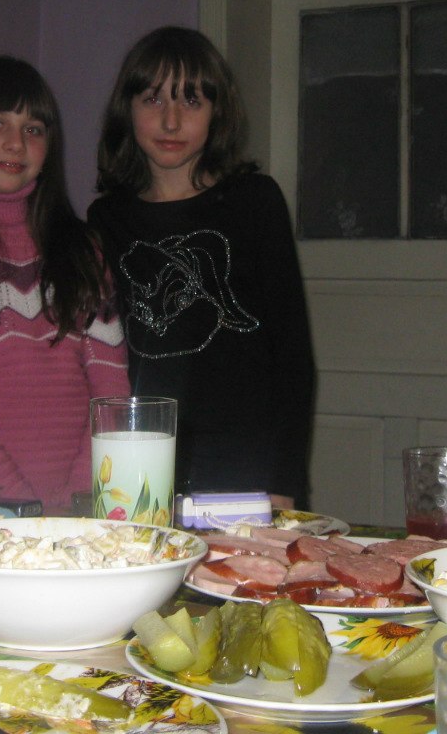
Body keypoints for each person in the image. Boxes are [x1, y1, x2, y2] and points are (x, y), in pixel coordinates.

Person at [88, 26, 316, 509]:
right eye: (153, 99)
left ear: (218, 112)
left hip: (246, 468)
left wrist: (285, 481)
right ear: (127, 110)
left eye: (191, 100)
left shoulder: (255, 202)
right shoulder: (106, 218)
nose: (171, 121)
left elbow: (293, 357)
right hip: (141, 463)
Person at [0, 56, 129, 511]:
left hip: (79, 507)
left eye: (34, 129)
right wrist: (16, 505)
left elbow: (111, 390)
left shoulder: (83, 250)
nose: (16, 143)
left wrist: (77, 496)